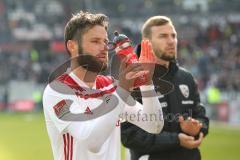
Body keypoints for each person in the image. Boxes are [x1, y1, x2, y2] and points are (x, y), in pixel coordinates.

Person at [42, 11, 164, 160]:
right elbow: (92, 142)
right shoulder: (57, 91)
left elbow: (154, 125)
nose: (104, 47)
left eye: (105, 42)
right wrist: (123, 90)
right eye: (95, 41)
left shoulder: (110, 86)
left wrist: (146, 83)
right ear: (72, 45)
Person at [121, 16, 209, 160]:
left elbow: (202, 116)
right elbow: (129, 136)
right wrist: (176, 140)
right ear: (146, 42)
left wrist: (198, 127)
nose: (171, 41)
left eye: (173, 36)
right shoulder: (132, 79)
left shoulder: (186, 77)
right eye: (163, 36)